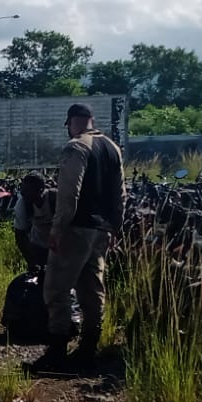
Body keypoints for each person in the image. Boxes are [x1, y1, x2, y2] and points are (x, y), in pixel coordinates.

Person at [27, 103, 124, 374]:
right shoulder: (112, 148)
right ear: (92, 120)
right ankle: (87, 351)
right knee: (93, 290)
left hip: (76, 229)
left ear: (71, 122)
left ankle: (57, 353)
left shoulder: (76, 147)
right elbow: (120, 194)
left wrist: (57, 230)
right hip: (101, 231)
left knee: (56, 289)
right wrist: (115, 226)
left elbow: (69, 194)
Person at [11, 172, 54, 271]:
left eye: (27, 190)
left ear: (40, 190)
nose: (22, 193)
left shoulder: (54, 200)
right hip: (38, 245)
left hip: (61, 246)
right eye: (22, 189)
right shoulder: (22, 204)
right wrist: (31, 261)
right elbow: (20, 236)